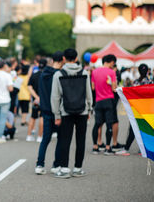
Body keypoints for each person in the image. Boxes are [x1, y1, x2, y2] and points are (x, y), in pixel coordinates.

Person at [51, 48, 92, 178]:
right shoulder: (84, 72)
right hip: (82, 111)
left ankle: (64, 169)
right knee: (81, 140)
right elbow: (88, 93)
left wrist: (56, 115)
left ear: (64, 58)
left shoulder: (59, 74)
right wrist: (89, 109)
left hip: (65, 111)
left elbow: (55, 97)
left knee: (65, 140)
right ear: (76, 58)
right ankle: (78, 168)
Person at [35, 51, 63, 175]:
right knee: (61, 138)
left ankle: (39, 164)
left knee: (45, 139)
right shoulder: (59, 75)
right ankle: (56, 165)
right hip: (57, 110)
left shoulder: (43, 74)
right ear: (62, 59)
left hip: (45, 109)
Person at [116, 63, 153, 156]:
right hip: (147, 110)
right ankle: (145, 149)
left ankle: (126, 148)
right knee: (146, 129)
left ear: (139, 71)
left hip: (137, 110)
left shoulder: (136, 82)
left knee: (133, 128)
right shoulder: (151, 82)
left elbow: (131, 94)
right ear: (148, 71)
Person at [91, 54, 118, 155]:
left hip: (98, 101)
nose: (113, 65)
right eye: (113, 63)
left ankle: (95, 147)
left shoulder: (94, 71)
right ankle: (107, 147)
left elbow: (93, 87)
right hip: (109, 101)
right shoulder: (111, 72)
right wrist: (111, 83)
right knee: (109, 124)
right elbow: (114, 89)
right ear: (110, 61)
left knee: (97, 124)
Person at [26, 59, 46, 142]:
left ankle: (29, 136)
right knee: (42, 117)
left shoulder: (34, 75)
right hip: (44, 100)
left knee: (33, 117)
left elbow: (29, 87)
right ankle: (40, 137)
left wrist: (36, 97)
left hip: (35, 100)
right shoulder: (46, 75)